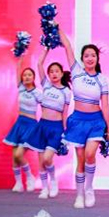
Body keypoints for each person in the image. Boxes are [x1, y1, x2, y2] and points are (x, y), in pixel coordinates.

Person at [59, 28, 109, 208]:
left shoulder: (102, 79)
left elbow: (105, 105)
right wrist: (56, 26)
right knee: (81, 159)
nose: (90, 58)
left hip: (96, 122)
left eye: (93, 55)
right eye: (87, 55)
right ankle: (79, 195)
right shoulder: (76, 71)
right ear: (82, 59)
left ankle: (89, 189)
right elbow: (67, 46)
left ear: (97, 59)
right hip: (77, 121)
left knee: (90, 154)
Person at [23, 48, 72, 199]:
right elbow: (39, 64)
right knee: (41, 161)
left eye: (57, 71)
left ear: (61, 73)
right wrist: (46, 48)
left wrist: (65, 133)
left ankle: (54, 182)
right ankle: (44, 188)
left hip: (56, 128)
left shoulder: (66, 91)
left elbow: (65, 113)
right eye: (51, 72)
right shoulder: (46, 85)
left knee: (47, 158)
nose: (54, 74)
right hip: (42, 126)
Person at [3, 55, 41, 193]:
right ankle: (18, 183)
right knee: (15, 157)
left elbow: (46, 107)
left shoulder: (37, 93)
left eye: (29, 75)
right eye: (24, 75)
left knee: (19, 154)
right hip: (19, 124)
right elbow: (17, 68)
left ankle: (30, 177)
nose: (26, 77)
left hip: (31, 126)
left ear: (33, 77)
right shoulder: (21, 88)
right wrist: (20, 57)